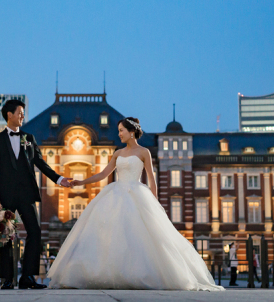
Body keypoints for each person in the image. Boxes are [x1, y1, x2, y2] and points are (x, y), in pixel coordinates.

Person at [46, 118, 224, 290]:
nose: (119, 134)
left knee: (137, 235)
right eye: (118, 131)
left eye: (122, 131)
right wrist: (80, 182)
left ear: (131, 132)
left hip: (137, 193)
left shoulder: (143, 152)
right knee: (114, 234)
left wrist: (155, 204)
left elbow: (152, 180)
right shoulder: (118, 153)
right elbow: (102, 175)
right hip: (116, 193)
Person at [0, 99, 74, 290]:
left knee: (34, 232)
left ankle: (27, 276)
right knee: (6, 234)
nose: (22, 116)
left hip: (26, 194)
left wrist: (59, 179)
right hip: (5, 195)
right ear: (9, 114)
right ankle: (7, 279)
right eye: (19, 112)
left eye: (23, 112)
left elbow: (41, 164)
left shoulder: (29, 138)